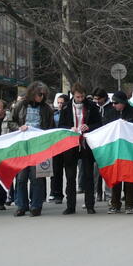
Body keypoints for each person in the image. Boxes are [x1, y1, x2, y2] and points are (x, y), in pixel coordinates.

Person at [10, 81, 54, 217]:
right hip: (23, 146)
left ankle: (36, 206)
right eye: (39, 94)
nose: (41, 97)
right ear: (33, 93)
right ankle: (21, 206)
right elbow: (11, 122)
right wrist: (18, 128)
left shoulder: (47, 109)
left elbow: (51, 128)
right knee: (21, 178)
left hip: (39, 146)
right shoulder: (21, 106)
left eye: (43, 94)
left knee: (37, 178)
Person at [59, 82, 101, 214]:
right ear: (73, 95)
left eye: (82, 96)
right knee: (70, 176)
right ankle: (70, 206)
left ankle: (90, 205)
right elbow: (60, 126)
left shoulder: (92, 106)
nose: (80, 99)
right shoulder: (65, 107)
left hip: (86, 144)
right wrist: (69, 128)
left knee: (88, 175)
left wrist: (89, 126)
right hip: (71, 144)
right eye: (78, 97)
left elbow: (99, 123)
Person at [104, 91, 133, 214]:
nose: (113, 105)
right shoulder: (110, 113)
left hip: (129, 150)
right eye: (112, 103)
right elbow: (105, 128)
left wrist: (128, 125)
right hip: (115, 149)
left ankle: (129, 204)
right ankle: (115, 204)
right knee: (116, 177)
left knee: (129, 177)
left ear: (123, 102)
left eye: (116, 103)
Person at [92, 87, 112, 201]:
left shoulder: (111, 108)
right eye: (95, 99)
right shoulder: (93, 107)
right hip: (95, 143)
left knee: (108, 169)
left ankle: (108, 194)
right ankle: (97, 193)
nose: (97, 102)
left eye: (98, 99)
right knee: (95, 170)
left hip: (108, 142)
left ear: (104, 98)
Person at [50, 93, 69, 204]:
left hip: (66, 145)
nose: (60, 105)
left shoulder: (68, 114)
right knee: (56, 171)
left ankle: (68, 193)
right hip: (56, 145)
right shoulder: (54, 114)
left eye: (62, 103)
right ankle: (57, 194)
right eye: (59, 103)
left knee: (68, 171)